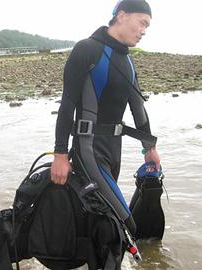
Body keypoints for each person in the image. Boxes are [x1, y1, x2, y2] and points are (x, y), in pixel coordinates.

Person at [51, 0, 161, 266]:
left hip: (114, 149)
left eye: (147, 26)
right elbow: (67, 105)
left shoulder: (127, 60)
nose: (144, 30)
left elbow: (137, 107)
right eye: (142, 23)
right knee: (123, 223)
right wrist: (60, 154)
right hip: (88, 149)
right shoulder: (87, 49)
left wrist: (149, 148)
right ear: (121, 15)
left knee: (99, 219)